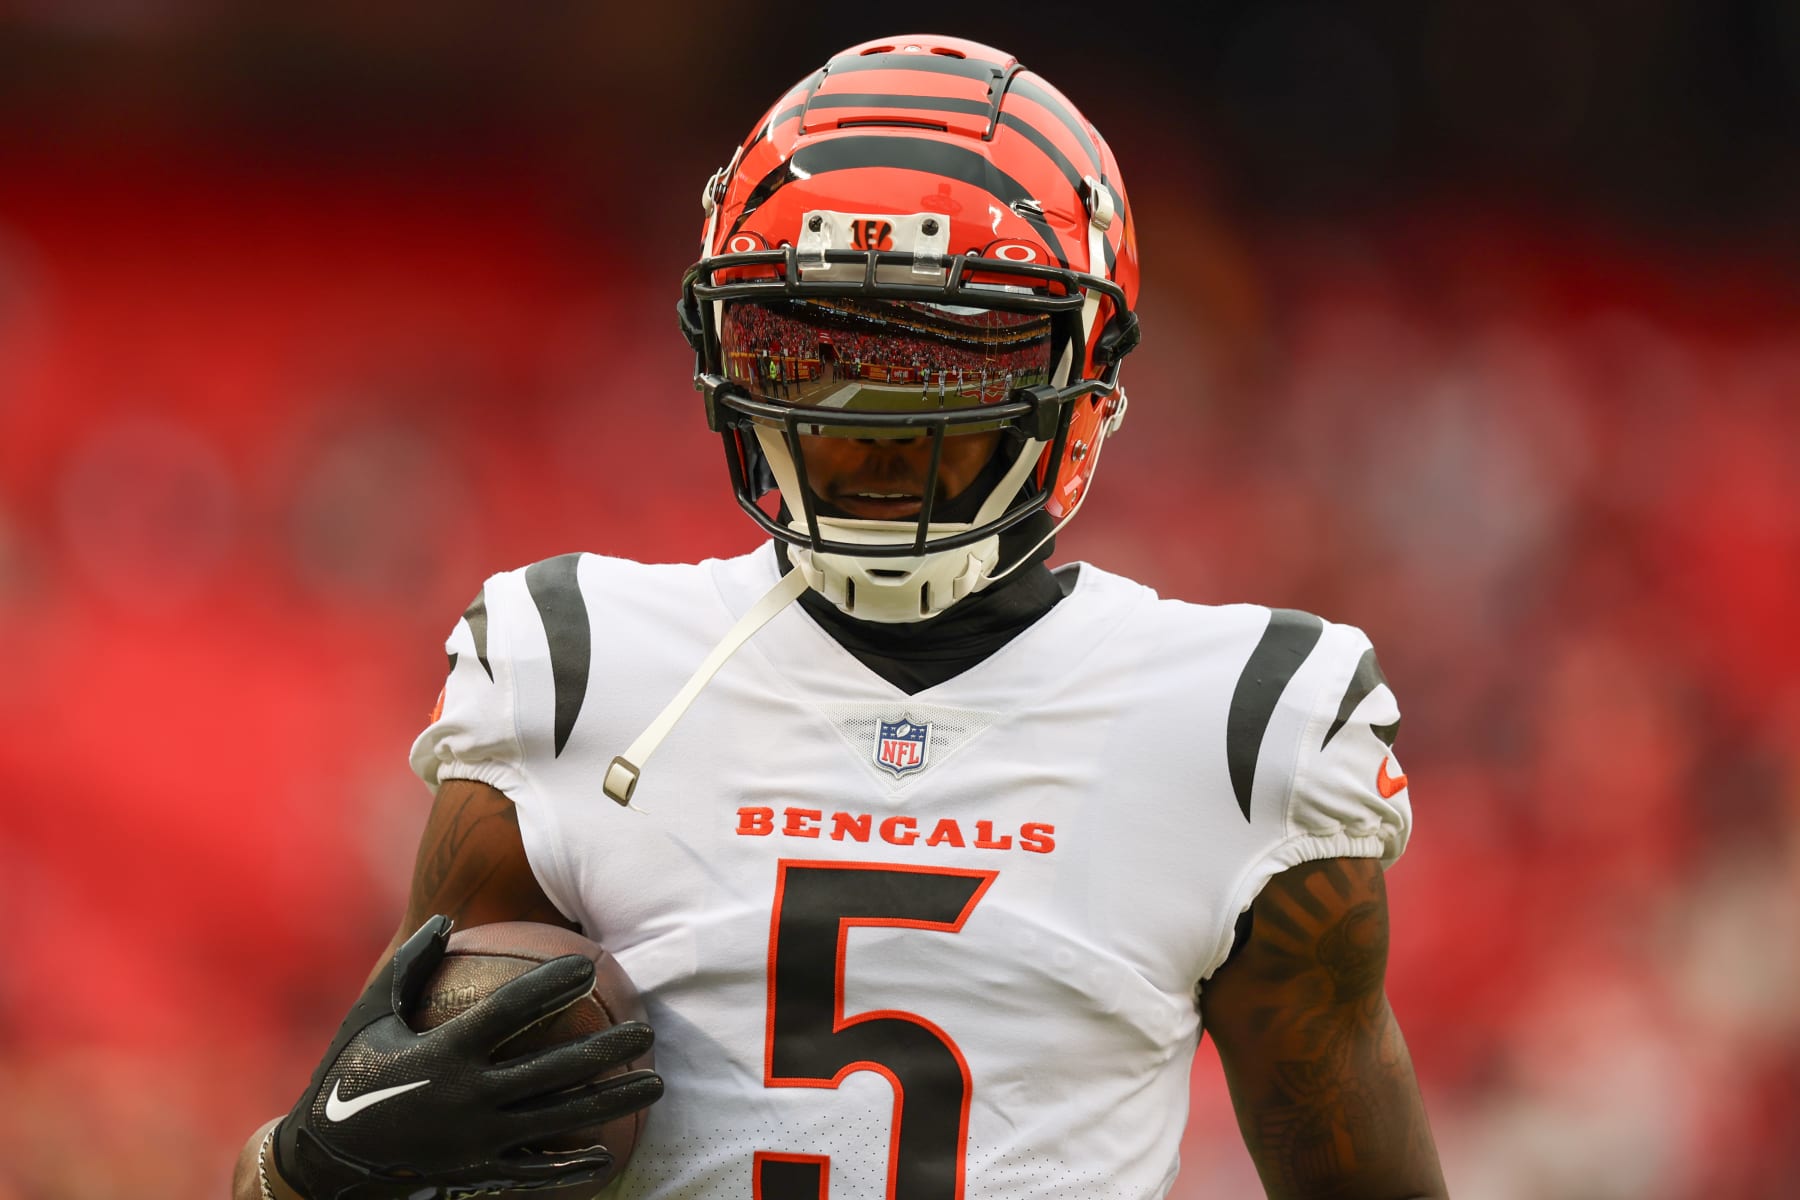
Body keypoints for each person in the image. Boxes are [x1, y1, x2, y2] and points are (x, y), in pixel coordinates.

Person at [233, 33, 1447, 1200]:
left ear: (1085, 368)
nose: (873, 424)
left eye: (951, 357)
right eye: (803, 349)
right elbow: (333, 1143)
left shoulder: (1241, 723)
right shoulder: (573, 665)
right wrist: (315, 1167)